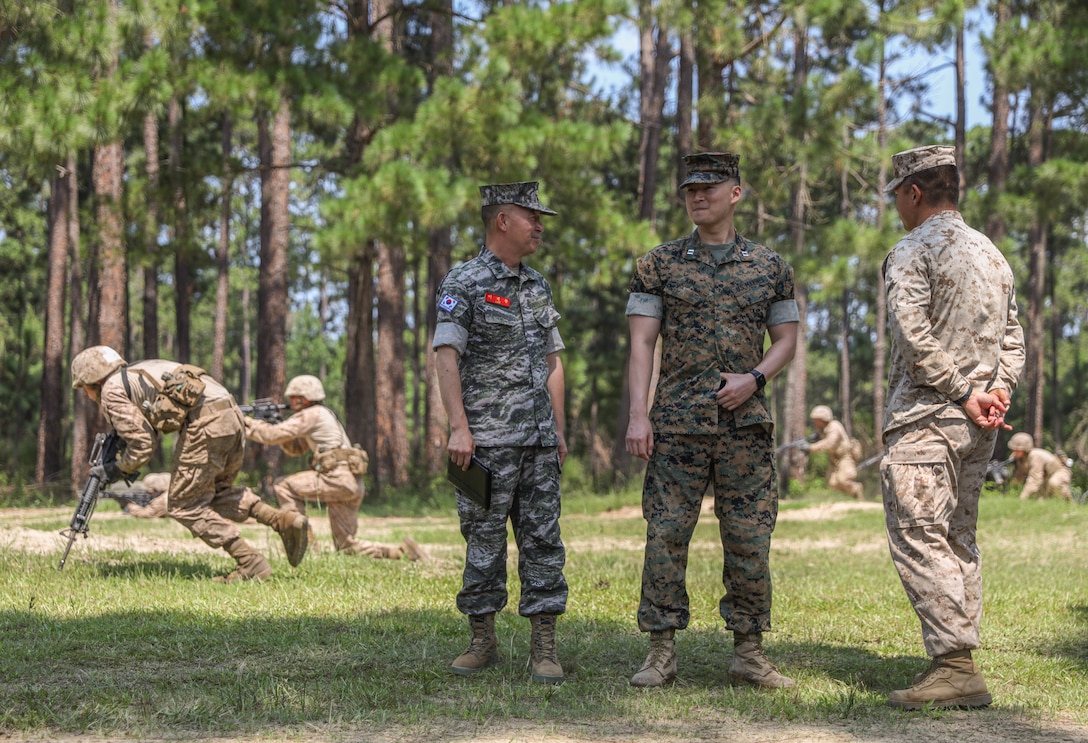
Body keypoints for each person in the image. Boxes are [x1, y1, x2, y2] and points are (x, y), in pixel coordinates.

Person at [625, 152, 800, 690]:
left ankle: (749, 651)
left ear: (736, 193)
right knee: (666, 535)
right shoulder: (658, 264)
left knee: (749, 538)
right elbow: (641, 343)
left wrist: (755, 377)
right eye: (690, 189)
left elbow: (787, 340)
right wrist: (638, 415)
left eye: (710, 186)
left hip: (744, 425)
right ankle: (660, 652)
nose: (697, 196)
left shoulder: (770, 266)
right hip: (677, 426)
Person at [881, 145, 1025, 709]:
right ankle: (957, 659)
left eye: (897, 194)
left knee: (919, 533)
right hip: (977, 422)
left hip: (927, 417)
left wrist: (965, 393)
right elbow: (1014, 336)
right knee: (958, 536)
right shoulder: (993, 254)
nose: (895, 205)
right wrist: (997, 392)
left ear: (914, 192)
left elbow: (912, 335)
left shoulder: (912, 249)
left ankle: (954, 666)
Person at [433, 181, 568, 685]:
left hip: (537, 442)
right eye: (530, 216)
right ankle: (482, 640)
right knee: (483, 542)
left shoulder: (537, 286)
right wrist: (459, 429)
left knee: (543, 542)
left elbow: (554, 361)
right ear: (501, 220)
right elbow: (447, 355)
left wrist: (557, 429)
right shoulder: (463, 281)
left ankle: (544, 646)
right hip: (483, 443)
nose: (539, 225)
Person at [70, 346, 310, 582]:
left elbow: (142, 444)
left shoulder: (111, 389)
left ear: (93, 383)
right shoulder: (140, 369)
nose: (88, 396)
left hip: (207, 425)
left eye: (85, 390)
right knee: (215, 493)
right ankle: (282, 521)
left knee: (182, 504)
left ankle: (249, 561)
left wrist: (117, 468)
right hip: (234, 418)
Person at [243, 374, 425, 560]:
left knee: (283, 485)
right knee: (345, 545)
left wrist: (243, 421)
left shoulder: (311, 414)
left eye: (293, 398)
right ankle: (401, 552)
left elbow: (271, 435)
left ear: (303, 399)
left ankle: (301, 541)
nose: (290, 401)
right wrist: (279, 424)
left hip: (336, 478)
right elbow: (296, 448)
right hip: (351, 483)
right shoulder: (324, 414)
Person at [802, 405, 864, 500]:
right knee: (832, 483)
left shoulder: (834, 426)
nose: (815, 422)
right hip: (834, 458)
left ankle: (857, 491)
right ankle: (850, 497)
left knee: (844, 479)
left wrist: (810, 447)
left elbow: (829, 443)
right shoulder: (822, 429)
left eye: (816, 419)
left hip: (845, 457)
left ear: (823, 419)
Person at [1007, 432, 1072, 501]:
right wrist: (1007, 479)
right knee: (1040, 501)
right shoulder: (1018, 458)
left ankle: (1070, 504)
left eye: (1018, 450)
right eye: (1014, 449)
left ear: (1025, 449)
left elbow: (1035, 479)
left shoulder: (1035, 456)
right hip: (1044, 478)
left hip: (1060, 472)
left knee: (1054, 483)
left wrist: (1022, 498)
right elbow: (1018, 478)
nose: (1014, 452)